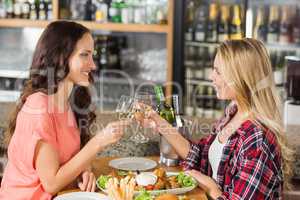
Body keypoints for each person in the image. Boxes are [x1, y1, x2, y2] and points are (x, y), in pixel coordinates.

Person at [140, 38, 294, 199]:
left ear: (241, 78)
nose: (211, 76)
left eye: (218, 71)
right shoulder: (233, 113)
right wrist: (160, 122)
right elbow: (199, 156)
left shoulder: (257, 140)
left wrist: (211, 188)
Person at [0, 21, 129, 199]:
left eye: (93, 55)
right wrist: (98, 142)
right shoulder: (39, 107)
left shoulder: (69, 101)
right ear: (60, 57)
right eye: (85, 55)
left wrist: (84, 171)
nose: (93, 65)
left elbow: (70, 158)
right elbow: (51, 184)